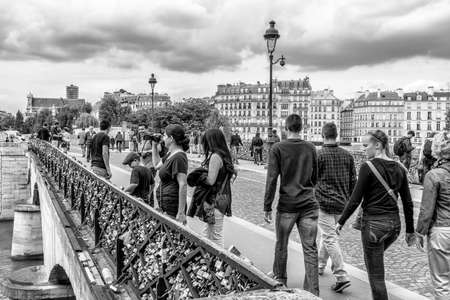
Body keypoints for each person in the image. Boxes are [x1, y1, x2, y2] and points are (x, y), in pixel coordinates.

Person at [336, 130, 416, 300]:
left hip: (374, 226)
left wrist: (340, 222)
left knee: (376, 276)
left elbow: (355, 200)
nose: (364, 150)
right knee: (374, 261)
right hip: (394, 227)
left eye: (366, 146)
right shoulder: (400, 168)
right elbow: (408, 203)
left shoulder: (368, 167)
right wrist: (410, 231)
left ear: (378, 145)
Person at [264, 114, 319, 296]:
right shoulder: (311, 148)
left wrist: (267, 206)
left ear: (286, 128)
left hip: (287, 203)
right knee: (310, 248)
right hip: (309, 204)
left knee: (282, 244)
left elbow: (272, 179)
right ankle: (312, 292)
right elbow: (315, 177)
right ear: (301, 128)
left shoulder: (278, 148)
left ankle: (280, 281)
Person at [316, 123, 355, 292]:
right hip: (342, 204)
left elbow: (312, 180)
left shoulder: (318, 155)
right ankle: (320, 264)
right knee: (329, 235)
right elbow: (353, 181)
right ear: (337, 135)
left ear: (323, 135)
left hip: (324, 203)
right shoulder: (347, 155)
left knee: (329, 237)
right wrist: (349, 201)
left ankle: (341, 275)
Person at [416, 132, 450, 300]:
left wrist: (419, 232)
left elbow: (426, 209)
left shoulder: (434, 175)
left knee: (442, 281)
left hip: (442, 230)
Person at [199, 129, 235, 247]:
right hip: (222, 198)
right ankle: (210, 260)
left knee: (212, 235)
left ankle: (215, 262)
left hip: (214, 200)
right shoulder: (225, 155)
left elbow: (210, 181)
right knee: (210, 232)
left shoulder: (215, 156)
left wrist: (199, 175)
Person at [152, 124, 189, 224]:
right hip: (165, 206)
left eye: (164, 135)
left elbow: (183, 184)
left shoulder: (179, 157)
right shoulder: (170, 154)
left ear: (171, 138)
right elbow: (156, 165)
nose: (163, 138)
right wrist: (154, 146)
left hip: (173, 208)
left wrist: (181, 213)